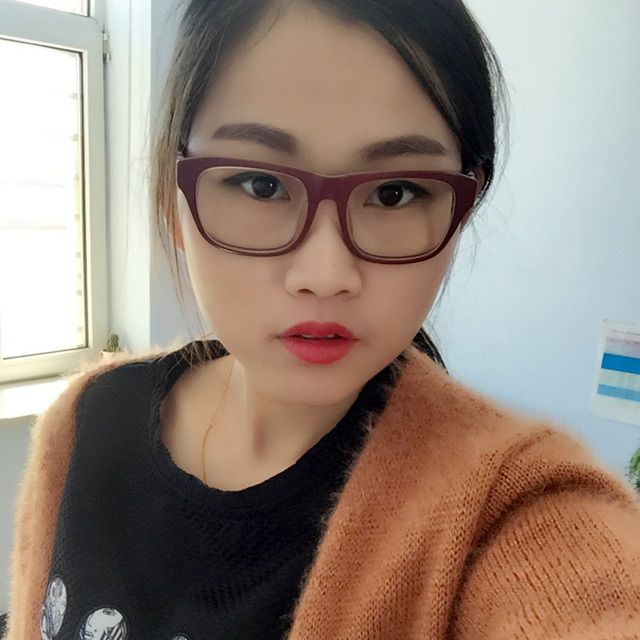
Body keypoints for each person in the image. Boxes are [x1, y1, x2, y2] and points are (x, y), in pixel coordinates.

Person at [6, 1, 640, 638]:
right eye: (261, 184)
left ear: (460, 212)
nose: (326, 272)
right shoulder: (84, 421)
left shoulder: (510, 508)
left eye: (394, 193)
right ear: (176, 199)